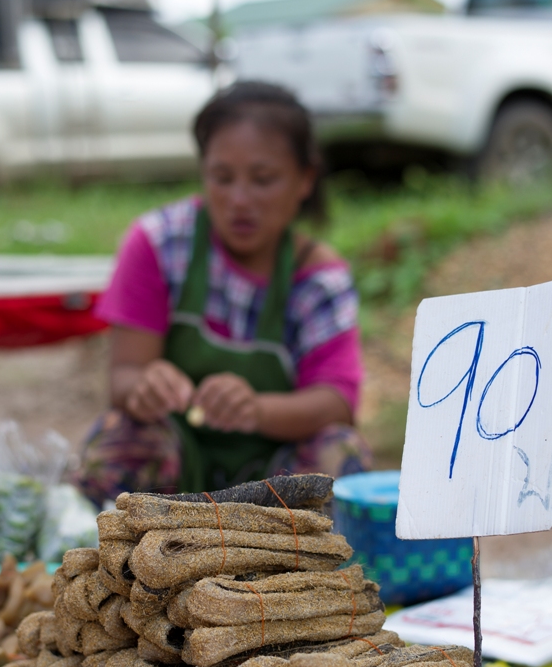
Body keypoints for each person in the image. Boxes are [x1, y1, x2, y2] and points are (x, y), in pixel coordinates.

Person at [73, 81, 372, 506]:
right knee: (122, 435)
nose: (239, 200)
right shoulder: (158, 244)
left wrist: (255, 410)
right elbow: (122, 377)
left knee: (339, 451)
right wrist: (145, 385)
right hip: (175, 467)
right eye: (221, 178)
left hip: (274, 474)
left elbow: (337, 403)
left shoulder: (319, 279)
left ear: (304, 181)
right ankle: (123, 564)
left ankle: (304, 567)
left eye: (263, 179)